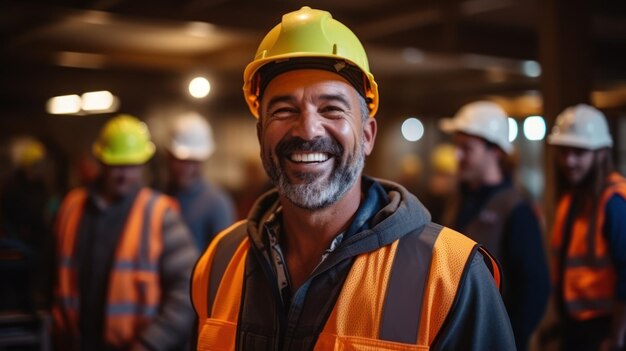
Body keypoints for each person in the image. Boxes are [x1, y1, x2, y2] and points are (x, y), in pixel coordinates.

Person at [191, 7, 515, 350]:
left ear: (368, 134)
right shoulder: (219, 262)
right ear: (261, 136)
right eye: (284, 110)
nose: (307, 130)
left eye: (331, 108)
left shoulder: (449, 276)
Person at [52, 114, 198, 351]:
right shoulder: (72, 207)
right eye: (116, 165)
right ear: (101, 161)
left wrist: (150, 343)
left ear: (143, 165)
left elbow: (189, 289)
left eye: (132, 166)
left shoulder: (160, 214)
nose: (123, 175)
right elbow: (51, 275)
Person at [439, 101, 550, 350]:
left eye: (467, 148)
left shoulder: (516, 209)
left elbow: (535, 287)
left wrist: (509, 340)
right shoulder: (460, 200)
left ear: (496, 151)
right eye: (457, 146)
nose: (457, 156)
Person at [547, 104, 626, 351]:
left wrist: (616, 338)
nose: (569, 161)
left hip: (604, 330)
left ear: (601, 153)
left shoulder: (615, 202)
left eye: (579, 152)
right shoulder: (572, 200)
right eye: (564, 152)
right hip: (575, 327)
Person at [164, 111, 235, 251]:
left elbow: (223, 260)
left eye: (192, 161)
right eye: (179, 160)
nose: (184, 168)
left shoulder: (217, 204)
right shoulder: (157, 197)